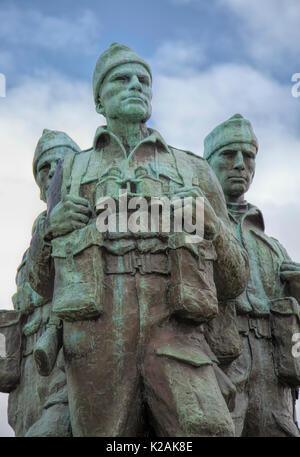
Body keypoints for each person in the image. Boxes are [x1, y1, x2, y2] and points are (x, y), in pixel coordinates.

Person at [26, 43, 249, 437]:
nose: (135, 86)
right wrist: (49, 230)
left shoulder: (194, 170)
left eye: (143, 80)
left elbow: (234, 282)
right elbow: (42, 285)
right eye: (121, 79)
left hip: (178, 337)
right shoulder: (71, 170)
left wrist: (211, 223)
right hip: (96, 345)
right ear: (99, 99)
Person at [204, 113, 300, 437]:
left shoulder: (272, 247)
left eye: (248, 156)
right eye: (229, 155)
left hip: (274, 367)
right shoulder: (196, 228)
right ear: (208, 163)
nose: (240, 164)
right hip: (221, 358)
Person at [6, 129, 80, 436]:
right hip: (29, 367)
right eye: (43, 168)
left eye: (59, 163)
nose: (51, 172)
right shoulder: (38, 230)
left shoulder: (86, 216)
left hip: (66, 355)